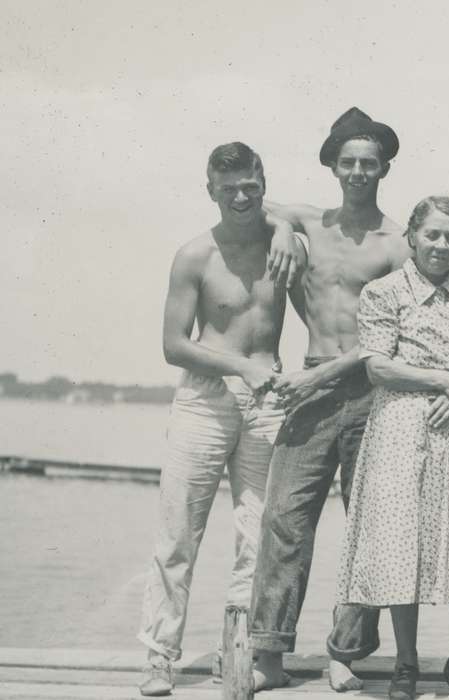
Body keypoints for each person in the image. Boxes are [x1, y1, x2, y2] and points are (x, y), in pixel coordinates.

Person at [249, 106, 411, 692]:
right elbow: (251, 202)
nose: (358, 172)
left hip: (373, 393)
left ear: (384, 168)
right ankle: (267, 653)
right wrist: (282, 232)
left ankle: (346, 652)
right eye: (348, 162)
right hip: (312, 383)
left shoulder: (397, 244)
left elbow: (392, 339)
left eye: (369, 163)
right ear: (332, 166)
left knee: (368, 525)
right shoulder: (308, 222)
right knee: (285, 517)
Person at [137, 142, 303, 697]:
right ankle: (160, 655)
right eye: (227, 188)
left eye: (250, 186)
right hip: (206, 398)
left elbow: (318, 223)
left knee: (258, 535)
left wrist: (281, 227)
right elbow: (171, 345)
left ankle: (240, 650)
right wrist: (239, 366)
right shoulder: (194, 256)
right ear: (210, 190)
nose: (240, 196)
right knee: (179, 533)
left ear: (264, 182)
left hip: (268, 401)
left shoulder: (287, 246)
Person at [336, 196, 449, 700]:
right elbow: (378, 367)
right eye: (431, 234)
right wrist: (441, 381)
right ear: (411, 236)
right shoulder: (382, 292)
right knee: (399, 545)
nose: (440, 245)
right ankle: (406, 664)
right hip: (398, 428)